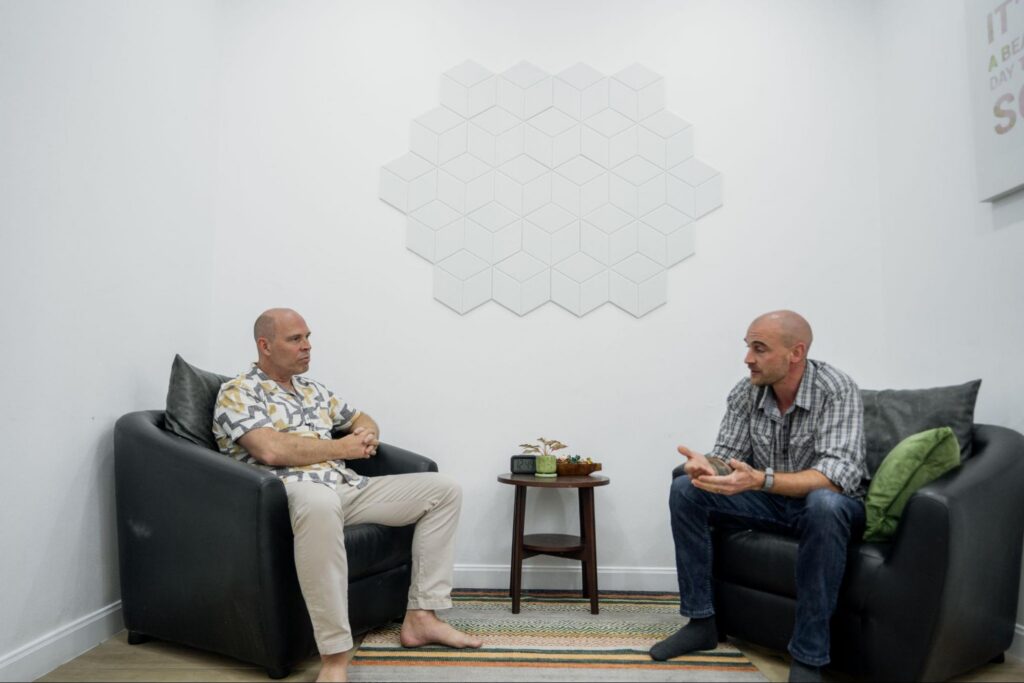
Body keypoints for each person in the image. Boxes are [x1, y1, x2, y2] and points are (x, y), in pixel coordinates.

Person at [213, 308, 482, 683]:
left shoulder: (313, 389)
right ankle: (335, 658)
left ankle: (422, 616)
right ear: (265, 345)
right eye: (295, 339)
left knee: (443, 490)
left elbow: (360, 419)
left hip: (346, 488)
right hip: (292, 494)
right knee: (320, 502)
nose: (307, 347)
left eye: (308, 338)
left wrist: (365, 435)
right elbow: (269, 449)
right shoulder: (239, 391)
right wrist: (343, 449)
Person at [650, 310, 867, 683]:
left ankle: (809, 656)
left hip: (828, 507)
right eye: (748, 347)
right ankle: (701, 621)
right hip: (771, 502)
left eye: (759, 348)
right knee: (686, 489)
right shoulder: (746, 391)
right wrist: (707, 466)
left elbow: (835, 478)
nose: (748, 358)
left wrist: (761, 480)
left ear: (795, 353)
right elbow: (728, 454)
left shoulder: (836, 389)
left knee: (824, 504)